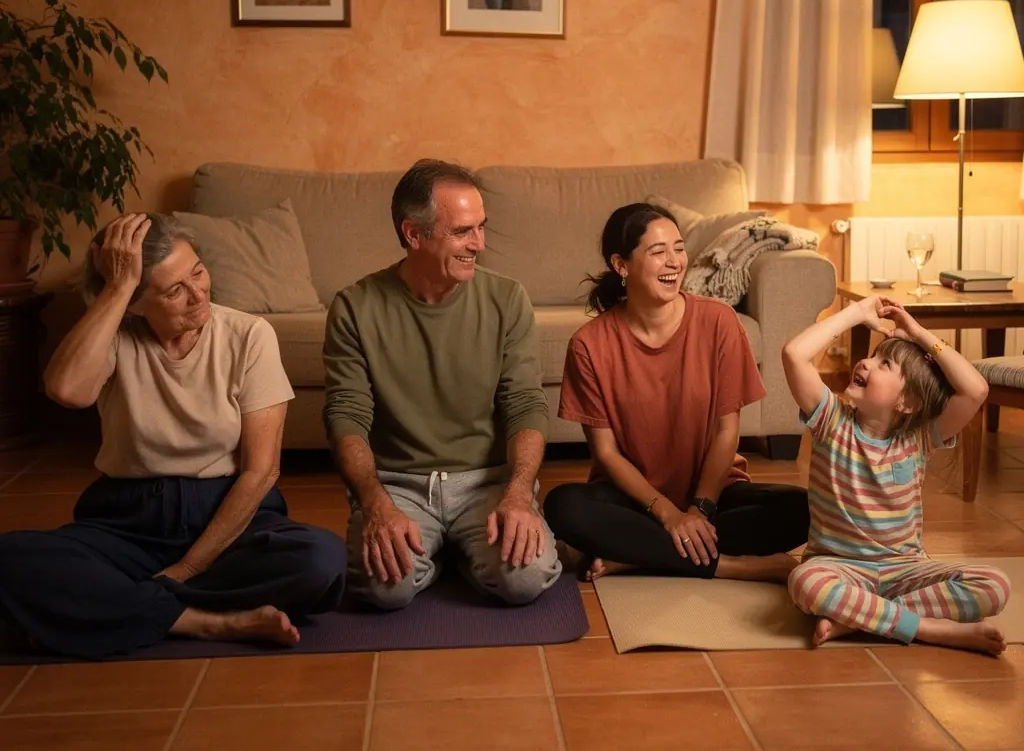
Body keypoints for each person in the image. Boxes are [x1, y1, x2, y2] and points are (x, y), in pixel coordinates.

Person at [0, 214, 346, 659]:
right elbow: (66, 390)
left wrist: (186, 569)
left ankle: (118, 605)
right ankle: (206, 622)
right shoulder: (115, 332)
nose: (199, 294)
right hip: (128, 522)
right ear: (135, 303)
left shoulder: (247, 335)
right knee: (9, 558)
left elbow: (261, 473)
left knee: (321, 561)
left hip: (226, 519)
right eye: (174, 289)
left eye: (198, 271)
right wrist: (117, 287)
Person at [323, 159, 562, 609]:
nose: (480, 244)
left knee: (524, 581)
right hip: (399, 484)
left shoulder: (508, 299)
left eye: (481, 228)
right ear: (414, 234)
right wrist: (375, 503)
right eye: (463, 232)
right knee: (382, 591)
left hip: (488, 481)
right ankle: (453, 551)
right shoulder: (354, 307)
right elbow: (345, 415)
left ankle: (455, 549)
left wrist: (518, 494)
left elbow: (526, 404)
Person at [544, 203, 809, 582]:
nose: (674, 262)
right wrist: (668, 514)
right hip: (636, 502)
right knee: (563, 507)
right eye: (657, 252)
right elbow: (606, 454)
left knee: (805, 509)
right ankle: (733, 566)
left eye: (679, 248)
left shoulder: (719, 322)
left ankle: (638, 557)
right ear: (621, 265)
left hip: (713, 494)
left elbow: (726, 432)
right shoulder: (589, 344)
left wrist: (698, 511)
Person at [783, 295, 1011, 655]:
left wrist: (918, 332)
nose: (866, 362)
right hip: (839, 568)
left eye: (884, 364)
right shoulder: (831, 421)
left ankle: (854, 620)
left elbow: (976, 389)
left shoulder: (919, 438)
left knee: (995, 585)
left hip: (904, 571)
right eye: (872, 356)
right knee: (805, 583)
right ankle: (926, 629)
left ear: (907, 403)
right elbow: (794, 354)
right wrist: (856, 313)